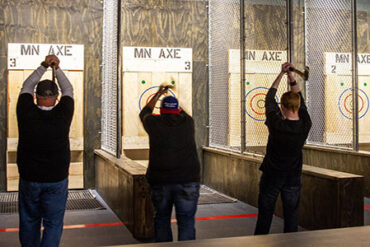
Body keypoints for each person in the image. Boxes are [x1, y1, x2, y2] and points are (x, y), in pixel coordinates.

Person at [16, 55, 74, 247]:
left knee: (29, 221)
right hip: (56, 179)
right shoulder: (63, 112)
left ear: (35, 96)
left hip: (30, 178)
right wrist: (56, 67)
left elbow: (26, 85)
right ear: (56, 98)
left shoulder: (25, 111)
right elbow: (69, 89)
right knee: (53, 223)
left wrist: (44, 66)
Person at [254, 62, 312, 235]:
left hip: (272, 174)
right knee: (291, 215)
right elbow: (299, 99)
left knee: (265, 214)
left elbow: (268, 98)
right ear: (298, 106)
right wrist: (291, 76)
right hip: (293, 175)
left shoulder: (276, 123)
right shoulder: (305, 124)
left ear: (283, 107)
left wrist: (281, 74)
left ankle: (260, 242)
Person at [139, 86, 200, 242]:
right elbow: (182, 112)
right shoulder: (188, 122)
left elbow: (145, 111)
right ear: (177, 110)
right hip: (188, 180)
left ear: (161, 111)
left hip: (161, 181)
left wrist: (159, 93)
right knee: (186, 221)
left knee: (161, 219)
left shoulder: (154, 123)